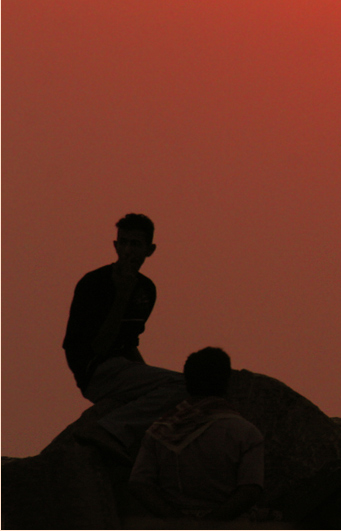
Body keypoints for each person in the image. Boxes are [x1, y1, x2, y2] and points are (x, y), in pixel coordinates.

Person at [62, 213, 186, 458]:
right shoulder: (94, 283)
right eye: (124, 243)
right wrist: (121, 295)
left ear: (149, 250)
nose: (128, 250)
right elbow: (99, 347)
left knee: (176, 389)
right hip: (95, 370)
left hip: (121, 368)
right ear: (115, 245)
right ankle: (109, 430)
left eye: (135, 244)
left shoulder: (146, 289)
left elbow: (129, 342)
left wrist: (147, 378)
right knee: (184, 385)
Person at [129, 347, 265, 521]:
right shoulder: (245, 433)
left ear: (187, 382)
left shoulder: (159, 431)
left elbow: (139, 485)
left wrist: (178, 521)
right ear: (227, 382)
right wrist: (210, 523)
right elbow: (250, 490)